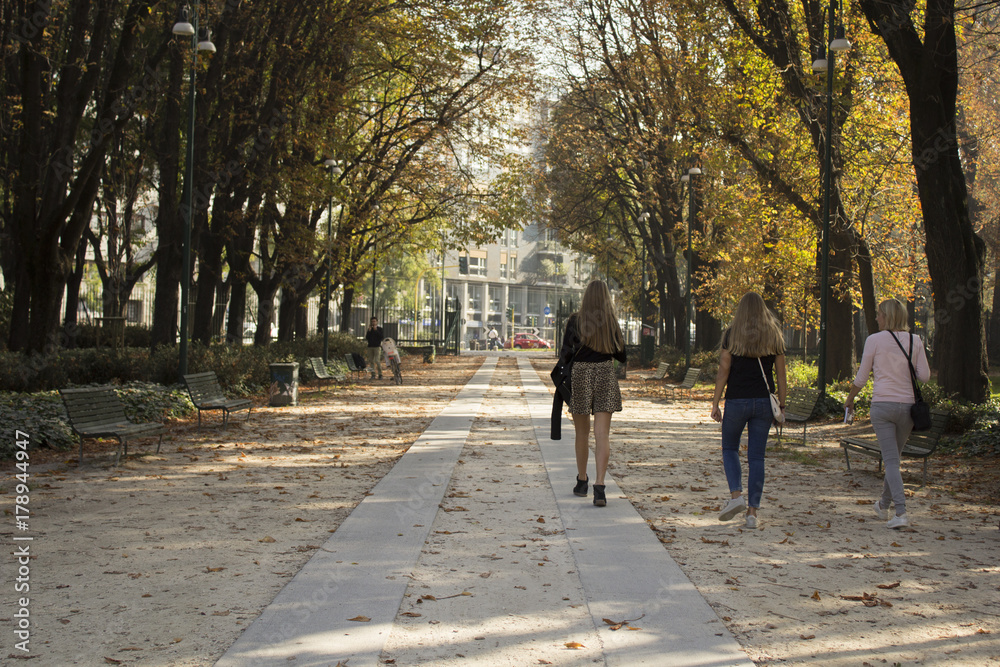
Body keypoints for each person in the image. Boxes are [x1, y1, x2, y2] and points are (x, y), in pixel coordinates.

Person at [845, 298, 930, 529]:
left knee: (891, 461)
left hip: (883, 406)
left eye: (879, 314)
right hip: (908, 409)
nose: (876, 318)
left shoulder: (874, 340)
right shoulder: (916, 341)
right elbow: (924, 376)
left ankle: (901, 512)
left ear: (888, 316)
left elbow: (862, 377)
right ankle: (883, 505)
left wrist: (850, 398)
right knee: (894, 459)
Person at [711, 292, 787, 529]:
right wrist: (781, 405)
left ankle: (736, 497)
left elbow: (724, 370)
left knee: (729, 448)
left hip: (736, 401)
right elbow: (781, 374)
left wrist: (715, 402)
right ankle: (752, 512)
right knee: (757, 457)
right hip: (764, 402)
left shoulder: (731, 334)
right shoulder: (773, 334)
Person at [560, 280, 627, 507]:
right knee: (602, 434)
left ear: (586, 297)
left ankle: (582, 481)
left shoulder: (575, 321)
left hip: (580, 375)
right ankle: (600, 486)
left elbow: (565, 354)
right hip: (606, 374)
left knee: (582, 433)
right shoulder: (610, 322)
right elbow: (622, 355)